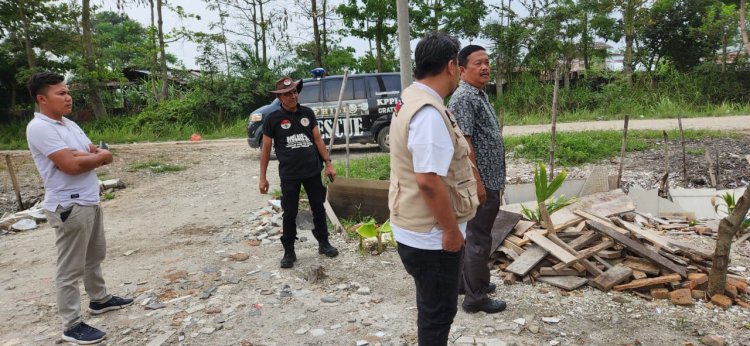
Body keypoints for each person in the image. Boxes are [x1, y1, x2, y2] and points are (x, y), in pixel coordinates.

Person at [25, 72, 133, 344]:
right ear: (42, 98)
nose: (68, 96)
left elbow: (86, 151)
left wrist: (89, 155)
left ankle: (100, 299)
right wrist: (99, 156)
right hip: (68, 205)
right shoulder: (40, 128)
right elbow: (71, 164)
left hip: (88, 200)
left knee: (93, 256)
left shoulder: (68, 125)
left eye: (67, 91)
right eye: (60, 93)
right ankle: (71, 325)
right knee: (70, 268)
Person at [388, 32, 480, 345]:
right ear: (452, 66)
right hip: (431, 237)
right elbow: (428, 181)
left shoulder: (411, 96)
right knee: (439, 313)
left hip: (416, 228)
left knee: (430, 306)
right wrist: (452, 232)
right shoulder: (428, 113)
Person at [447, 45, 508, 314]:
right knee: (479, 238)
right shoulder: (463, 98)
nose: (485, 67)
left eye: (487, 62)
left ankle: (468, 282)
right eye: (477, 63)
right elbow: (465, 144)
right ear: (461, 70)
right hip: (480, 182)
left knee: (475, 236)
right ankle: (476, 297)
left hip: (490, 178)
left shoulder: (478, 94)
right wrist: (478, 183)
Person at [258, 76, 339, 268]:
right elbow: (266, 150)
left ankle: (323, 243)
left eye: (294, 92)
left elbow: (318, 140)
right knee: (290, 212)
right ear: (280, 98)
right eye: (287, 94)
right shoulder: (272, 120)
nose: (293, 96)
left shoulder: (308, 113)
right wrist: (263, 177)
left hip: (312, 170)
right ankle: (289, 251)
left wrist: (328, 163)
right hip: (290, 174)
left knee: (318, 208)